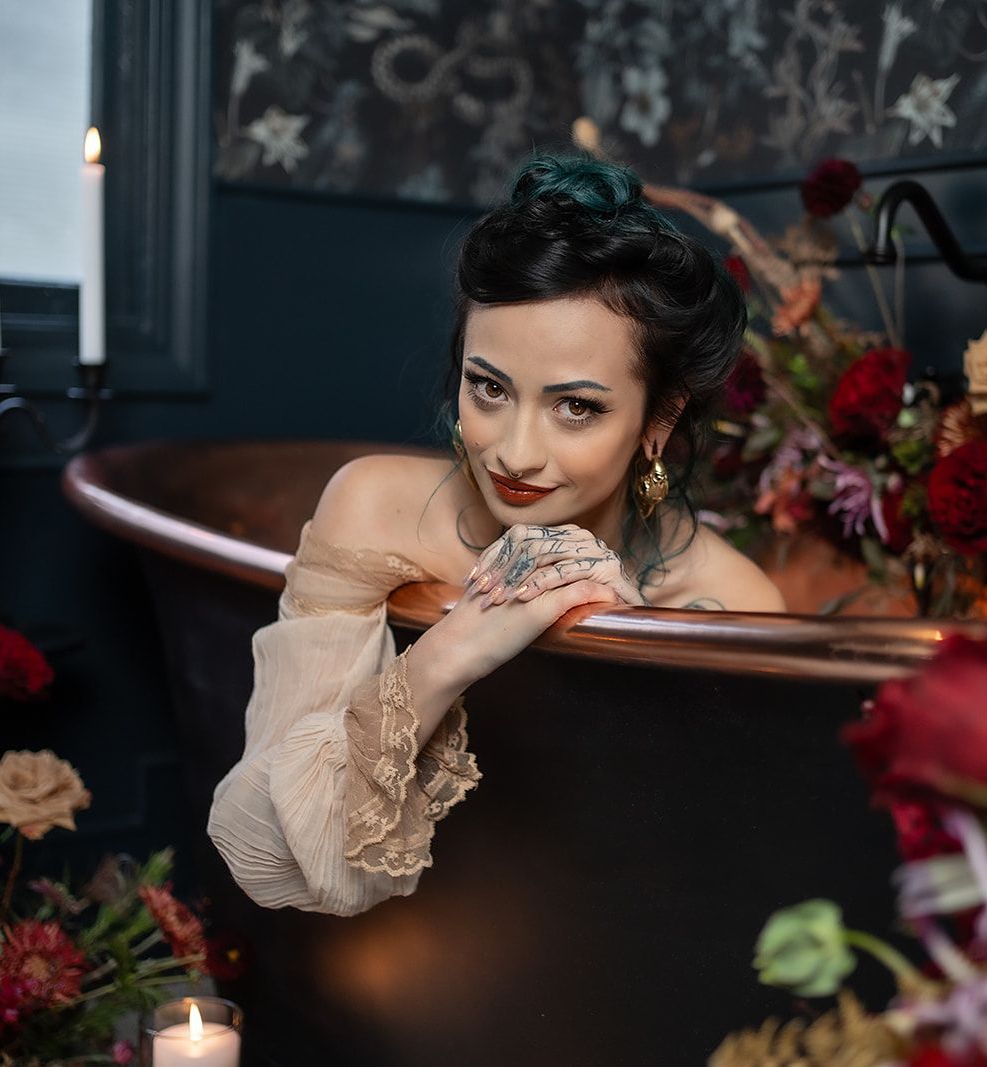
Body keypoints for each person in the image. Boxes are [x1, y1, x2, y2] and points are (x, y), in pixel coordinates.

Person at [207, 152, 786, 917]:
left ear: (660, 417)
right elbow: (266, 850)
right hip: (394, 958)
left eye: (576, 407)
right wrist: (456, 644)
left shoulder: (733, 598)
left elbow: (725, 879)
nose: (514, 452)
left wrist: (626, 651)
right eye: (489, 387)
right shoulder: (374, 509)